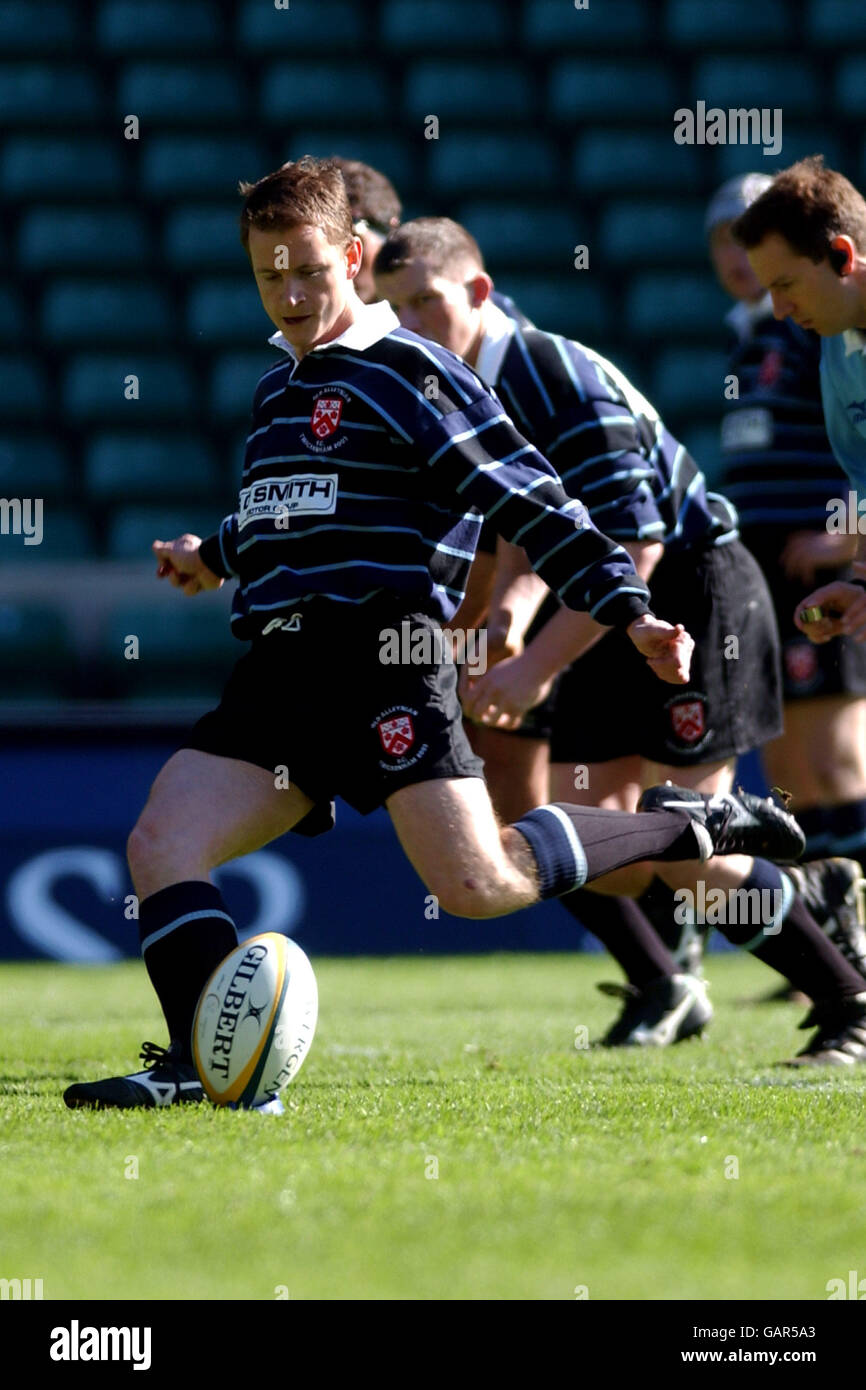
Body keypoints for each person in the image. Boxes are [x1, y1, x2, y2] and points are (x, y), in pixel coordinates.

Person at [62, 158, 800, 1110]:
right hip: (280, 671)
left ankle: (688, 822)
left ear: (354, 257)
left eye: (309, 272)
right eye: (268, 274)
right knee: (162, 840)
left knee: (478, 883)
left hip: (388, 662)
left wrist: (628, 609)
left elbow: (533, 497)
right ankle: (205, 1066)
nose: (289, 293)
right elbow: (289, 516)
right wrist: (212, 553)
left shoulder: (413, 371)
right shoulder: (279, 391)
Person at [374, 216, 866, 1061]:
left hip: (690, 592)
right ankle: (791, 902)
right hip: (604, 607)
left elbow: (635, 539)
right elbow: (519, 529)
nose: (413, 327)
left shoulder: (546, 371)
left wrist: (530, 662)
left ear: (480, 293)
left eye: (427, 302)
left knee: (684, 844)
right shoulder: (461, 387)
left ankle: (848, 1005)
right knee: (599, 839)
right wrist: (490, 624)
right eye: (397, 312)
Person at [707, 172, 866, 871]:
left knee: (837, 757)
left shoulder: (821, 334)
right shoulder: (830, 340)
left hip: (812, 550)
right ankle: (833, 951)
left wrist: (841, 546)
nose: (777, 305)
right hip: (778, 564)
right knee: (793, 769)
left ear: (842, 256)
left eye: (787, 284)